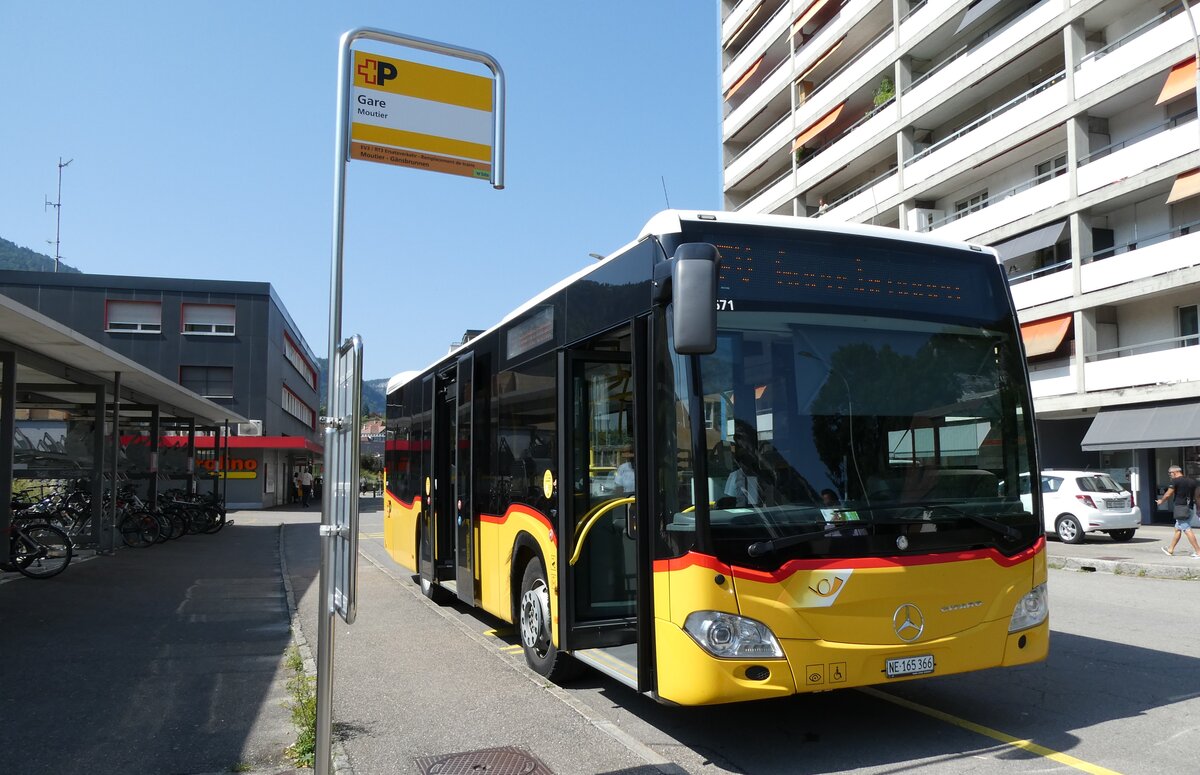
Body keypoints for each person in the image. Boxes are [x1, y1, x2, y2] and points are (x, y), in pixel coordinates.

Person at [1156, 465, 1200, 558]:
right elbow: (1197, 495)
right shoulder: (1193, 481)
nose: (1170, 475)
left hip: (1181, 508)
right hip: (1190, 507)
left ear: (1175, 472)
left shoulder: (1175, 481)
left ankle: (1198, 551)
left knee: (1186, 529)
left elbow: (1168, 494)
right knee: (1178, 529)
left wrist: (1161, 501)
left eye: (1170, 473)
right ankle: (1170, 549)